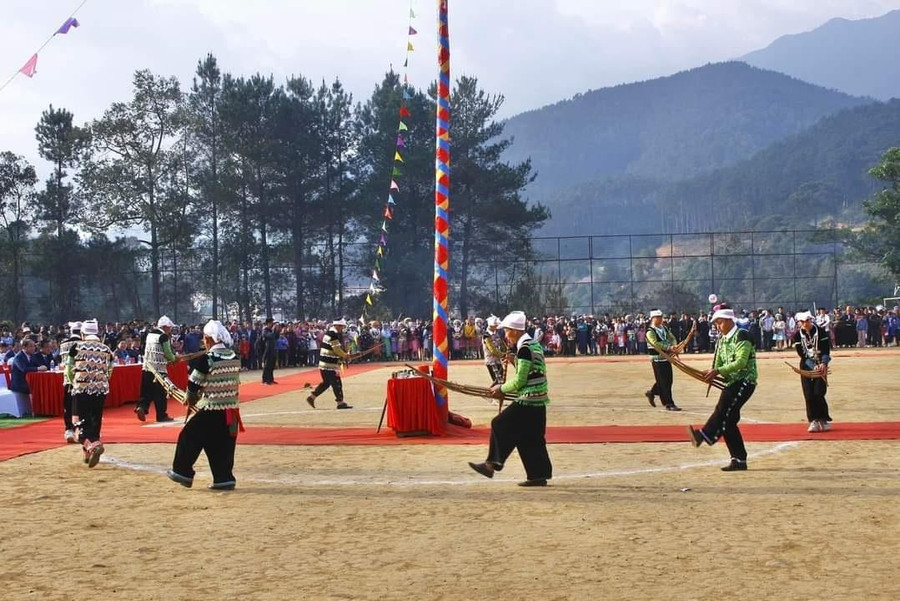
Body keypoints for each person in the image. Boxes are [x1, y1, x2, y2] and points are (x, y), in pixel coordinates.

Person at [468, 311, 553, 487]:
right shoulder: (533, 345)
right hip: (540, 398)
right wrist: (514, 362)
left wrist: (501, 389)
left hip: (529, 398)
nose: (506, 335)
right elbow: (532, 371)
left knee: (499, 424)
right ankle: (538, 474)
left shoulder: (524, 348)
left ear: (515, 331)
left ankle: (491, 465)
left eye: (506, 331)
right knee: (531, 436)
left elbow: (521, 380)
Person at [166, 320, 243, 490]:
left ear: (209, 339)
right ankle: (224, 478)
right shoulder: (234, 356)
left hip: (211, 409)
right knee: (222, 446)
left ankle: (182, 471)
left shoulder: (207, 359)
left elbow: (193, 385)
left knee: (188, 437)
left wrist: (191, 399)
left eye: (204, 339)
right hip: (231, 411)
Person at [687, 307, 758, 471]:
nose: (717, 326)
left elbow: (741, 362)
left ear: (728, 320)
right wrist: (712, 372)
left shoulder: (742, 335)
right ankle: (739, 460)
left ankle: (704, 435)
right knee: (728, 421)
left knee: (722, 409)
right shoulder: (722, 340)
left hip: (744, 381)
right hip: (731, 382)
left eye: (719, 322)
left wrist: (718, 371)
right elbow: (717, 363)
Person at [66, 319, 114, 467]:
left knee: (78, 422)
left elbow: (69, 369)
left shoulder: (76, 347)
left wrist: (74, 382)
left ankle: (91, 446)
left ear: (82, 333)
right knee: (94, 421)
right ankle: (89, 452)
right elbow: (110, 371)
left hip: (82, 389)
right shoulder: (107, 349)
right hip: (100, 390)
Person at [792, 311, 832, 433]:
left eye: (807, 321)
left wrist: (823, 363)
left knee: (819, 393)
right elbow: (802, 354)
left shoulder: (821, 332)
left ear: (811, 320)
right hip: (806, 365)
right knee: (808, 394)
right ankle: (813, 420)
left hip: (821, 365)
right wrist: (812, 365)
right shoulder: (797, 336)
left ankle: (823, 419)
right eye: (802, 321)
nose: (805, 323)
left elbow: (826, 350)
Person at [136, 316, 177, 422]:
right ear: (164, 327)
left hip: (147, 367)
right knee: (160, 394)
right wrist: (174, 359)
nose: (170, 329)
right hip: (159, 370)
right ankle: (161, 415)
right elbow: (168, 353)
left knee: (146, 391)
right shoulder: (163, 337)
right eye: (169, 327)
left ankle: (141, 406)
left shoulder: (150, 334)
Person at [306, 319, 352, 409]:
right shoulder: (333, 335)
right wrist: (345, 356)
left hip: (325, 363)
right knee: (337, 383)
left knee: (326, 383)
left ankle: (312, 397)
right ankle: (340, 402)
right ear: (338, 326)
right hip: (329, 364)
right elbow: (336, 350)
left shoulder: (329, 333)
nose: (342, 329)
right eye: (342, 327)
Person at [644, 309, 682, 412]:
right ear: (653, 319)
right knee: (664, 382)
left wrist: (674, 345)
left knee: (667, 381)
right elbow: (655, 344)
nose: (661, 319)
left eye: (661, 317)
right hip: (657, 359)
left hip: (666, 358)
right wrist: (669, 348)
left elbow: (672, 337)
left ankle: (652, 393)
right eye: (658, 318)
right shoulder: (650, 332)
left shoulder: (664, 328)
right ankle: (668, 403)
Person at [9, 338, 48, 416]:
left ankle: (44, 410)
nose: (33, 348)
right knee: (38, 387)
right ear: (24, 347)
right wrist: (38, 368)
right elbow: (24, 369)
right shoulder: (18, 357)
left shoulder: (32, 356)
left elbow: (38, 365)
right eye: (31, 346)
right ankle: (38, 411)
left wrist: (42, 366)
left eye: (34, 346)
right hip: (20, 383)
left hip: (29, 381)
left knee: (44, 386)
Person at [59, 322, 82, 443]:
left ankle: (68, 430)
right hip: (81, 381)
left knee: (68, 406)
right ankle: (80, 430)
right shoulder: (84, 345)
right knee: (81, 407)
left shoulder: (63, 345)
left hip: (67, 380)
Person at [482, 315, 507, 386]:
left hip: (498, 360)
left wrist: (506, 351)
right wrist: (504, 355)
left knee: (500, 379)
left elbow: (502, 344)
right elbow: (492, 350)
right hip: (491, 361)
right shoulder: (486, 335)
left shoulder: (496, 334)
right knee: (498, 380)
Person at [260, 318, 278, 385]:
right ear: (268, 323)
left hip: (273, 349)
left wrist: (277, 330)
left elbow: (276, 337)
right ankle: (265, 380)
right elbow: (270, 336)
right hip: (267, 350)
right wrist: (273, 330)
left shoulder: (271, 330)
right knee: (267, 366)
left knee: (272, 365)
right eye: (271, 323)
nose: (272, 324)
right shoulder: (265, 330)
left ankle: (270, 379)